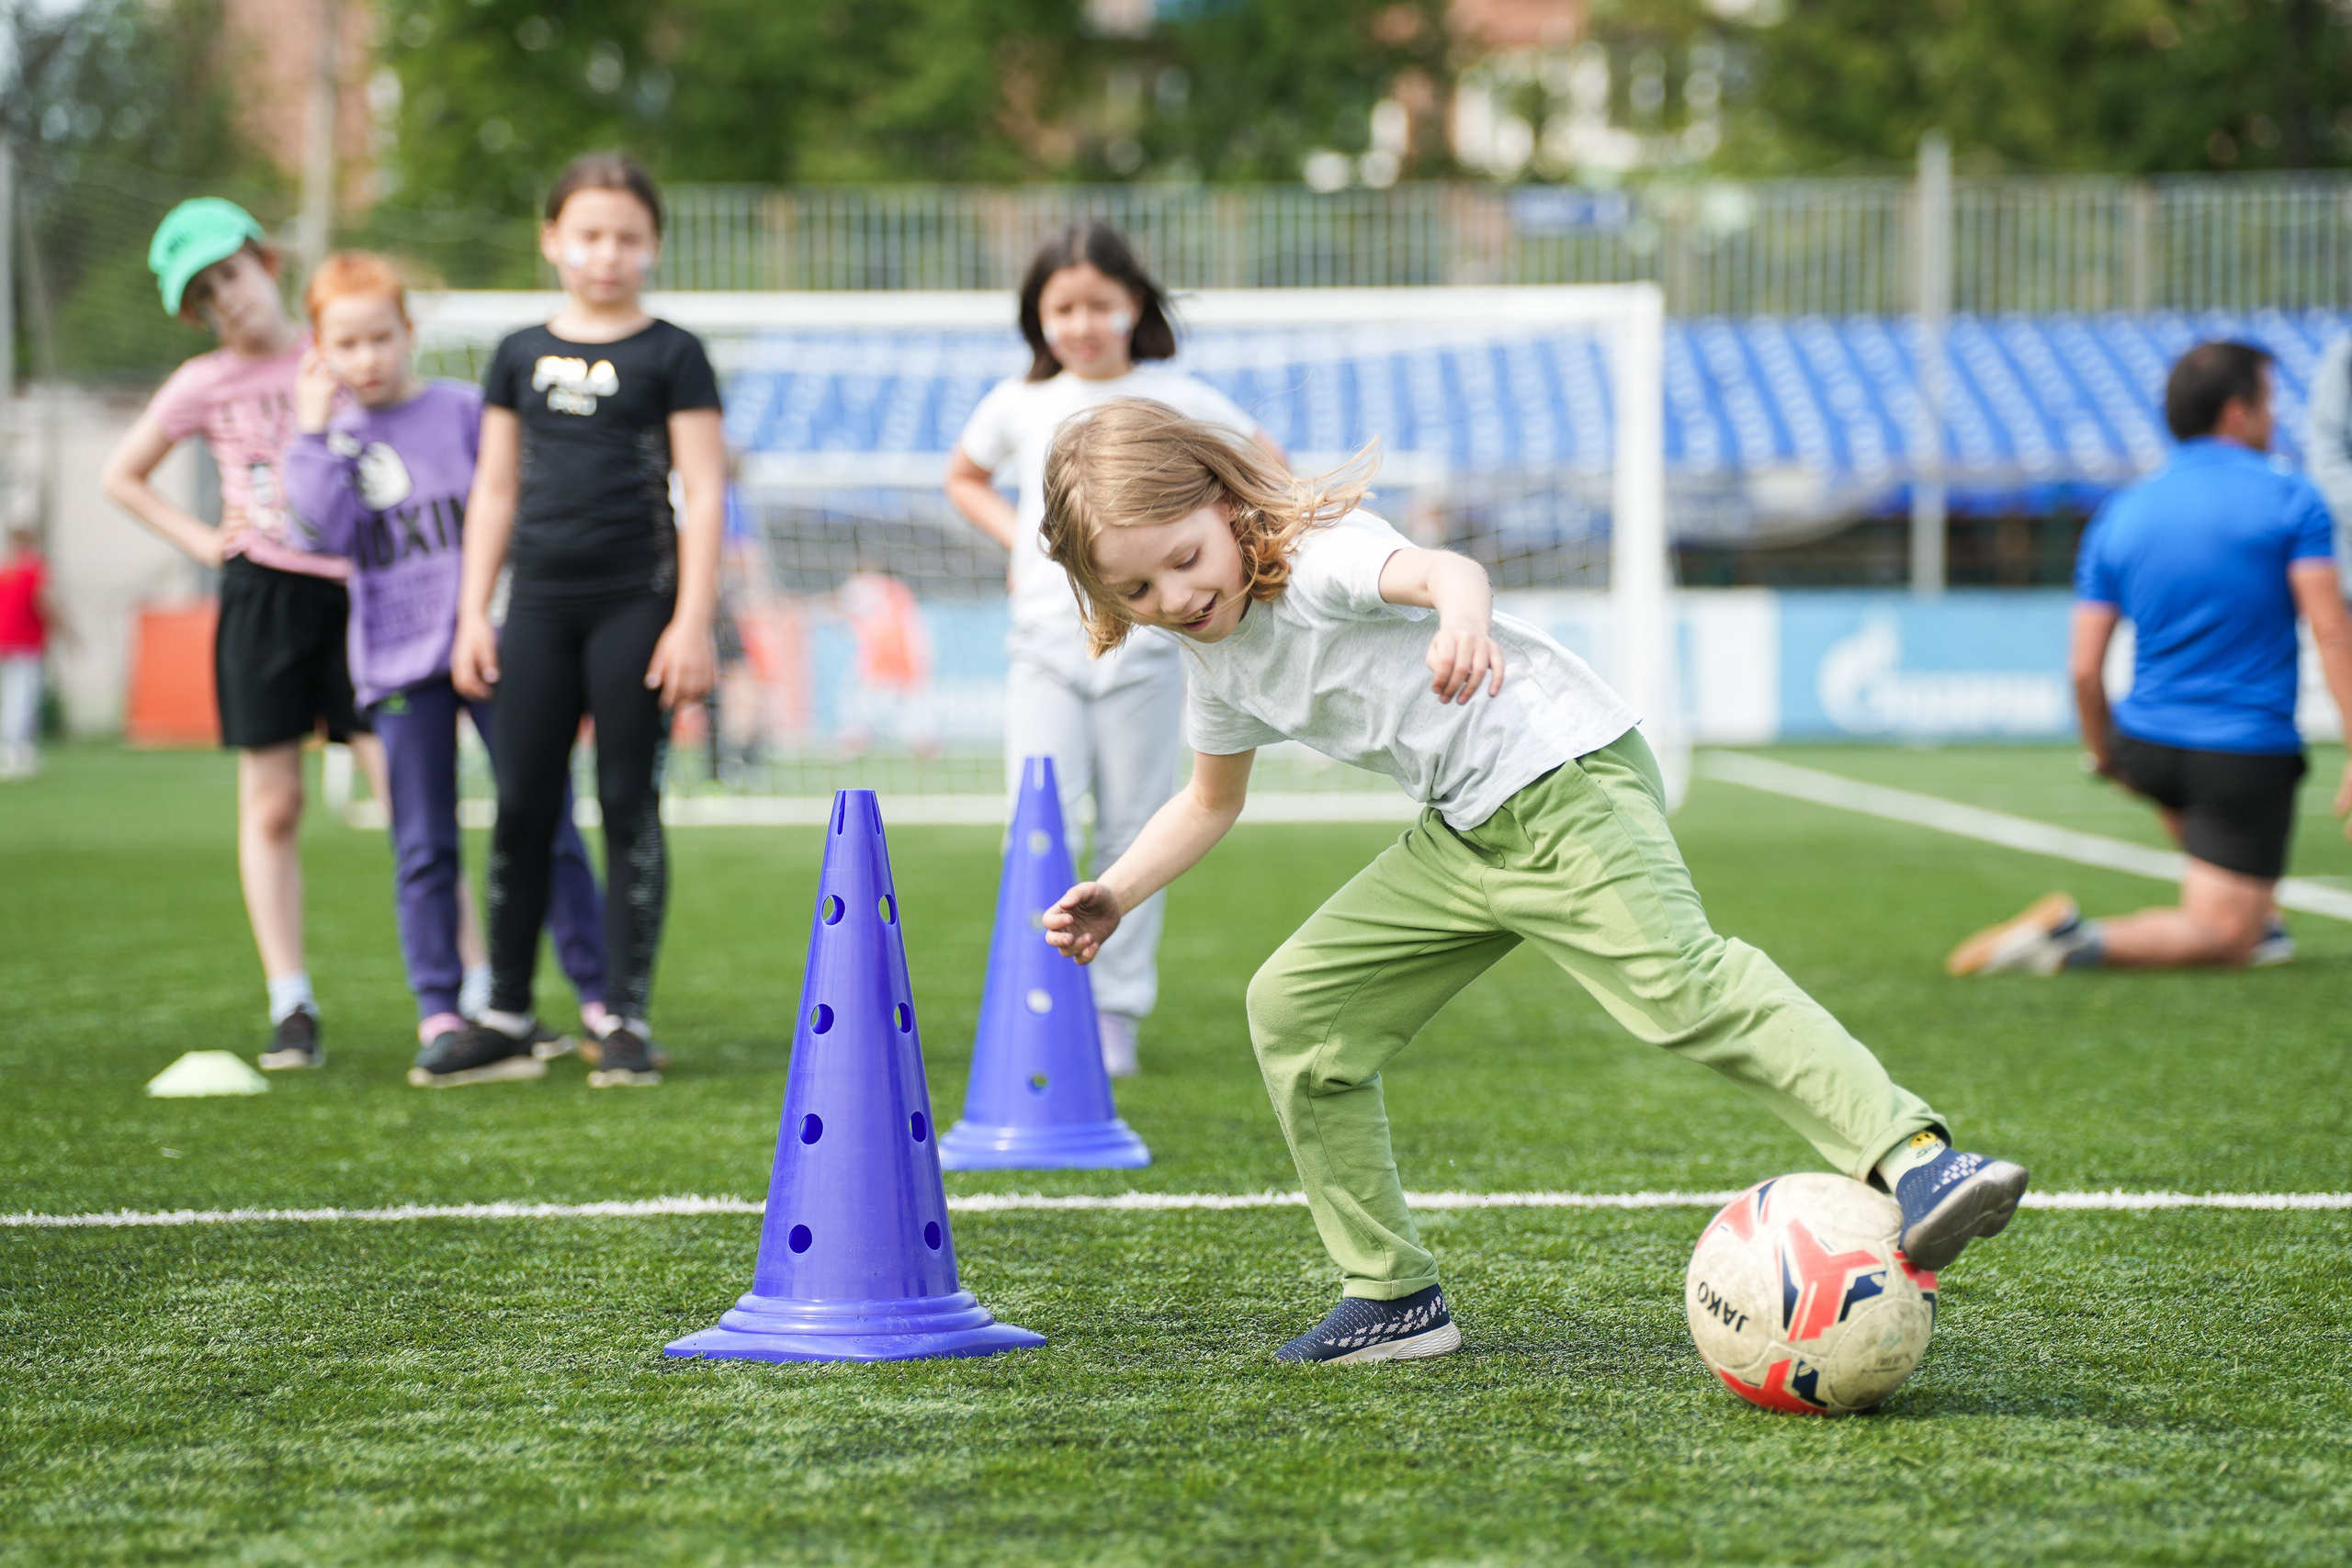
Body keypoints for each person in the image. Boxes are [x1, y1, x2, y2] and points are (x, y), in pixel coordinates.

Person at [1036, 398, 2030, 1365]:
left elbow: (1445, 571)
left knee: (1680, 988)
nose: (1173, 599)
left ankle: (1919, 1159)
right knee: (1296, 1009)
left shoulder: (1316, 561)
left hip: (1562, 780)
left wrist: (1461, 623)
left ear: (1226, 505)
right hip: (1466, 833)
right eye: (1135, 593)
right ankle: (1391, 1296)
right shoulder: (1214, 665)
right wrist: (1117, 891)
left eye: (1183, 560)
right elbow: (1209, 802)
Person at [944, 222, 1283, 1077]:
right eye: (1062, 307)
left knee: (1137, 828)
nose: (1083, 322)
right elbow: (963, 477)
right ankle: (1038, 1003)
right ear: (1038, 318)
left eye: (1100, 303)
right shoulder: (1016, 402)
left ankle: (1115, 1017)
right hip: (1043, 650)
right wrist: (1025, 547)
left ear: (1134, 305)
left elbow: (1269, 470)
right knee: (1038, 822)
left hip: (1146, 657)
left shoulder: (1182, 394)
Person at [281, 251, 613, 1086]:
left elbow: (521, 505)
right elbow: (318, 534)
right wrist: (313, 434)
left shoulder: (469, 412)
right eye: (346, 344)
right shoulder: (326, 444)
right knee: (423, 841)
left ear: (409, 333)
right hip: (397, 669)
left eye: (380, 338)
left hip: (498, 651)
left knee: (549, 824)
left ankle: (600, 999)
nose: (367, 359)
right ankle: (440, 1007)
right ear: (319, 350)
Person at [447, 152, 727, 1089]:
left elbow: (705, 491)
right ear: (552, 240)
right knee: (523, 806)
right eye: (588, 235)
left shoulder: (673, 353)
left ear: (652, 247)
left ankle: (625, 1018)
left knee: (625, 805)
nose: (606, 254)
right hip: (533, 611)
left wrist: (690, 622)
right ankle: (508, 1014)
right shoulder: (517, 351)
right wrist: (471, 615)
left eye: (627, 238)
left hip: (634, 611)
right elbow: (493, 491)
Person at [101, 198, 395, 1070]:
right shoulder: (201, 382)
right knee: (274, 805)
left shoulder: (338, 352)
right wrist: (207, 543)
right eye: (202, 294)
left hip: (359, 597)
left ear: (265, 262)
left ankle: (462, 992)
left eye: (229, 275)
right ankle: (291, 1000)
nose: (224, 299)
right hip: (261, 600)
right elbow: (124, 475)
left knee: (408, 798)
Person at [1949, 341, 2352, 976]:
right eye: (2268, 401)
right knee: (2227, 936)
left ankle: (2260, 913)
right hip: (2243, 753)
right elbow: (2331, 630)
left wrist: (2104, 754)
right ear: (2237, 412)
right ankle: (2071, 939)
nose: (2274, 417)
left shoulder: (2121, 510)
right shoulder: (2290, 497)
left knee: (2231, 863)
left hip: (2147, 749)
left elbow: (2084, 667)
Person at [0, 525, 66, 780]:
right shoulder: (33, 568)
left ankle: (11, 747)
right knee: (24, 696)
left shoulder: (7, 569)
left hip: (7, 640)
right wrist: (64, 631)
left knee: (12, 695)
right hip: (27, 641)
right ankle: (18, 749)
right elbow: (44, 601)